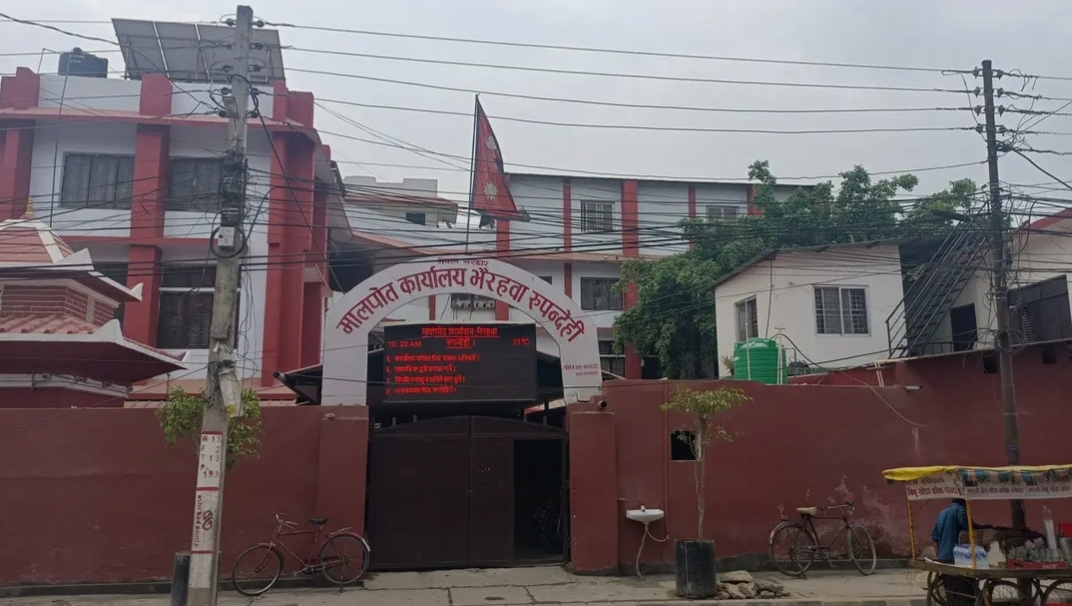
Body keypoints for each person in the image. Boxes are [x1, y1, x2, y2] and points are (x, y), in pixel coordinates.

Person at [931, 498, 992, 606]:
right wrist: (982, 527)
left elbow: (934, 535)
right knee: (966, 587)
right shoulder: (960, 510)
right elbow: (967, 524)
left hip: (943, 556)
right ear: (964, 502)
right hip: (959, 556)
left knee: (950, 586)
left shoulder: (942, 513)